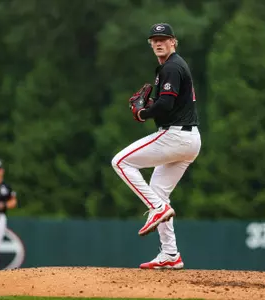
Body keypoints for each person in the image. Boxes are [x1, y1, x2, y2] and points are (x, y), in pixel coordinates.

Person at [111, 23, 201, 269]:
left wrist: (143, 113)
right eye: (154, 39)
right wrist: (153, 105)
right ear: (151, 44)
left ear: (174, 41)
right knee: (158, 190)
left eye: (164, 39)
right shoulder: (172, 66)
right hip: (189, 139)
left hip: (176, 137)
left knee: (120, 161)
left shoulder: (171, 66)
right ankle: (171, 255)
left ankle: (157, 208)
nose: (159, 43)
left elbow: (165, 106)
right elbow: (166, 102)